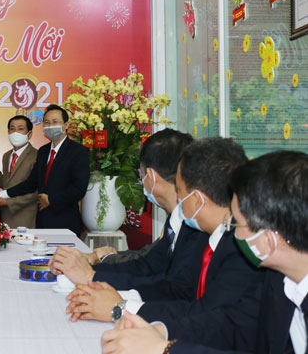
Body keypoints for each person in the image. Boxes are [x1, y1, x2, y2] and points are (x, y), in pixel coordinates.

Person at [101, 150, 308, 354]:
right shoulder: (278, 278)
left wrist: (165, 349)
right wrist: (160, 331)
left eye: (236, 223)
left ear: (269, 239)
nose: (230, 231)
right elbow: (234, 324)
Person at [65, 137, 262, 323]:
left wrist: (119, 309)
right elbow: (174, 286)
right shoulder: (216, 235)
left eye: (180, 190)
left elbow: (211, 318)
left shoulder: (241, 249)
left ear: (197, 200)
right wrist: (114, 296)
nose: (177, 199)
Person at [50, 129, 207, 290]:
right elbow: (147, 265)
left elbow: (171, 287)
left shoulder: (197, 226)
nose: (140, 180)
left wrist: (90, 276)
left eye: (141, 174)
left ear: (151, 177)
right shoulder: (177, 220)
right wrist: (87, 270)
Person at [0, 104, 90, 235]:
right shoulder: (43, 151)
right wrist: (3, 194)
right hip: (43, 222)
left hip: (65, 222)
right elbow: (31, 183)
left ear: (66, 125)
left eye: (55, 122)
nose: (50, 126)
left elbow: (79, 188)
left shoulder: (78, 151)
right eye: (47, 123)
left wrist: (51, 200)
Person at [0, 115, 39, 229]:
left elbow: (35, 192)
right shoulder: (6, 156)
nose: (15, 132)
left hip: (26, 216)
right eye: (12, 128)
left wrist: (8, 203)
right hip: (6, 216)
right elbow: (6, 183)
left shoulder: (37, 155)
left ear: (29, 134)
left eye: (20, 128)